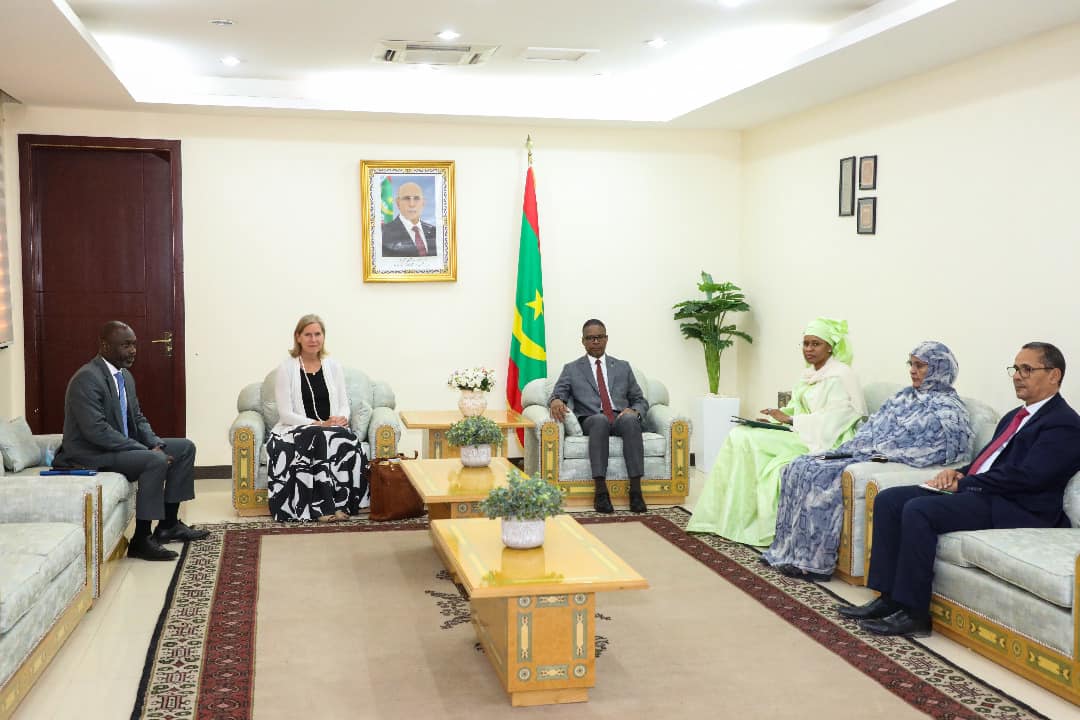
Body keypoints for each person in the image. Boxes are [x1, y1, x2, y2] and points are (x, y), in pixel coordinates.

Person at [840, 342, 1080, 637]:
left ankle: (915, 614)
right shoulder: (1014, 416)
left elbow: (1030, 478)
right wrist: (958, 474)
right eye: (1016, 369)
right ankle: (888, 599)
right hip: (986, 492)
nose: (1018, 376)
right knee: (890, 500)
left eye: (1027, 369)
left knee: (919, 510)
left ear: (1054, 375)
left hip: (1018, 507)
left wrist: (965, 483)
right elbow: (987, 464)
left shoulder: (1065, 424)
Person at [762, 341, 974, 581]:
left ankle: (811, 562)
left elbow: (943, 449)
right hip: (866, 449)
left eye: (920, 366)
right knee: (800, 465)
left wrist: (880, 450)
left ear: (939, 368)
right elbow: (874, 427)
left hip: (887, 458)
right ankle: (788, 552)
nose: (913, 371)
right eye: (911, 364)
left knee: (820, 473)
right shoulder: (904, 396)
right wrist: (861, 446)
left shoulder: (948, 409)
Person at [687, 317, 866, 545]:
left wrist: (791, 419)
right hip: (802, 432)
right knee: (740, 434)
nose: (808, 349)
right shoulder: (810, 374)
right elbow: (800, 408)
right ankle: (723, 519)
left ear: (830, 346)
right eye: (805, 343)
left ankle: (747, 524)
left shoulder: (841, 376)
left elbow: (836, 419)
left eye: (815, 344)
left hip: (825, 439)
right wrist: (776, 418)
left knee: (749, 441)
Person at [53, 321, 207, 561]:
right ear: (104, 346)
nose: (133, 351)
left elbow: (137, 417)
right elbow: (97, 431)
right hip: (89, 453)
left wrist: (155, 442)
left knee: (184, 447)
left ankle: (168, 525)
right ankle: (141, 539)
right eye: (125, 345)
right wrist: (144, 450)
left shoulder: (124, 376)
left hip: (118, 446)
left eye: (134, 344)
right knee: (153, 461)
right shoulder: (86, 379)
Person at [266, 314, 369, 522]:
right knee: (317, 436)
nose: (313, 339)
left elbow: (343, 403)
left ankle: (342, 505)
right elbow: (286, 413)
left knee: (345, 439)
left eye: (318, 334)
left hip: (328, 426)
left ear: (323, 337)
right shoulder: (286, 368)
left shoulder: (333, 366)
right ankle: (321, 509)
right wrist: (318, 424)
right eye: (308, 334)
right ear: (298, 337)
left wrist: (341, 418)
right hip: (295, 428)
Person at [549, 319, 649, 514]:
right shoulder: (572, 369)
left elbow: (639, 399)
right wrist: (555, 400)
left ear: (606, 339)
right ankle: (601, 492)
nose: (595, 341)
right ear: (583, 341)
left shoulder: (622, 367)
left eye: (599, 337)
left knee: (630, 420)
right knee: (600, 420)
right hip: (592, 419)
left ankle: (636, 492)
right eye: (590, 338)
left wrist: (635, 411)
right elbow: (559, 392)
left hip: (620, 418)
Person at [381, 181, 437, 257]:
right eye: (406, 198)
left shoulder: (435, 232)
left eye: (416, 198)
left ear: (423, 203)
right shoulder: (382, 233)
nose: (412, 204)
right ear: (398, 203)